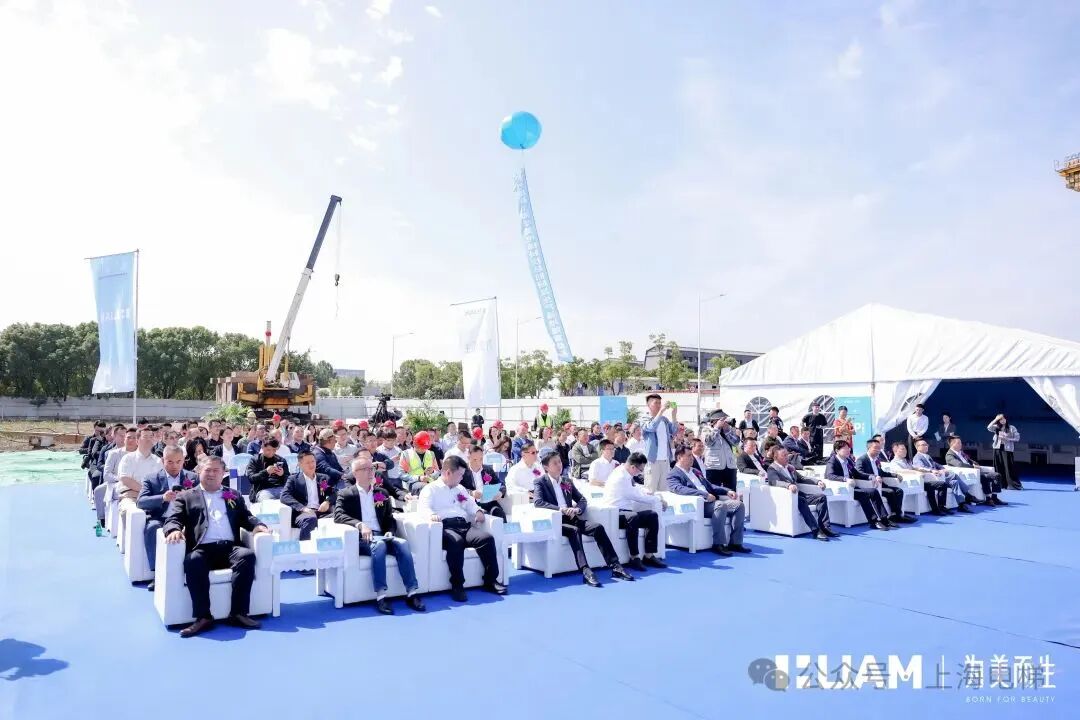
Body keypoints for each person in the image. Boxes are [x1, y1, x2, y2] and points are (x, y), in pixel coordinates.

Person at [162, 456, 269, 637]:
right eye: (207, 470)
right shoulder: (186, 497)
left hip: (229, 548)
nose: (211, 474)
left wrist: (258, 525)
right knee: (193, 560)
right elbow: (173, 518)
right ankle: (203, 617)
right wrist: (173, 530)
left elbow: (246, 516)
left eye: (215, 470)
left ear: (223, 473)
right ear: (199, 472)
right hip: (202, 549)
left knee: (247, 556)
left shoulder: (233, 495)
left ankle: (238, 613)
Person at [334, 456, 425, 614]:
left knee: (403, 544)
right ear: (355, 473)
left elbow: (389, 518)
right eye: (366, 469)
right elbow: (338, 515)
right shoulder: (346, 494)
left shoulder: (381, 492)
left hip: (382, 535)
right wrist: (360, 525)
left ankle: (412, 593)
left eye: (372, 468)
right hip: (362, 538)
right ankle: (381, 596)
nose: (371, 472)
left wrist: (390, 530)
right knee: (379, 545)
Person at [533, 449, 632, 587]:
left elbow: (582, 499)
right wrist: (561, 510)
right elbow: (538, 502)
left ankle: (615, 566)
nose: (559, 465)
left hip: (572, 518)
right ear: (546, 467)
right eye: (554, 463)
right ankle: (586, 571)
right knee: (574, 531)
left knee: (597, 527)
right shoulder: (540, 482)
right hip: (556, 521)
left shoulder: (566, 481)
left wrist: (577, 509)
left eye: (559, 462)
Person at [417, 455, 506, 602]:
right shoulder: (430, 489)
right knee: (456, 542)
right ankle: (457, 585)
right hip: (445, 527)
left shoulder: (460, 489)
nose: (462, 478)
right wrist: (431, 515)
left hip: (463, 525)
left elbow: (469, 504)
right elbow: (423, 508)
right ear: (448, 473)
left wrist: (478, 511)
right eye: (460, 474)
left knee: (486, 539)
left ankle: (490, 580)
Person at [667, 445, 748, 555]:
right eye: (689, 456)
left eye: (692, 456)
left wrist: (726, 491)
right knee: (720, 505)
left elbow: (710, 485)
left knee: (738, 505)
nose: (692, 458)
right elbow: (680, 489)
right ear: (679, 457)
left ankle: (735, 542)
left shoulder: (694, 471)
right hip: (699, 504)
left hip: (711, 502)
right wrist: (704, 494)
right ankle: (718, 544)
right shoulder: (673, 474)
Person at [136, 446, 198, 588]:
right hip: (161, 518)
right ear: (163, 460)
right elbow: (141, 502)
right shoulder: (151, 478)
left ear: (184, 460)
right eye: (170, 462)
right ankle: (157, 574)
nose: (174, 466)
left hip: (185, 519)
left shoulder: (193, 478)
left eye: (178, 461)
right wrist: (162, 498)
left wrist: (187, 497)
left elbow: (202, 499)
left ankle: (191, 572)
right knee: (152, 527)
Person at [603, 452, 668, 570]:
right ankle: (634, 557)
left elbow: (635, 488)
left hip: (627, 511)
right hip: (615, 513)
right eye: (640, 470)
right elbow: (636, 496)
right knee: (633, 517)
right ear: (633, 467)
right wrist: (658, 499)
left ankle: (649, 555)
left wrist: (648, 492)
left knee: (652, 515)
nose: (640, 473)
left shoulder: (626, 473)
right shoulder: (620, 477)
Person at [765, 447, 837, 540]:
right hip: (786, 497)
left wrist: (817, 481)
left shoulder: (789, 467)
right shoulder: (772, 469)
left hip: (798, 495)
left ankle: (825, 527)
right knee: (802, 500)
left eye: (787, 454)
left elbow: (802, 478)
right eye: (784, 455)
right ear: (776, 457)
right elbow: (774, 482)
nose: (787, 457)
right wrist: (788, 485)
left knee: (821, 497)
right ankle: (816, 531)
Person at [825, 440, 894, 530]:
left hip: (852, 488)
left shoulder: (848, 460)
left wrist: (871, 476)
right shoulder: (832, 461)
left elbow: (857, 474)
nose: (848, 450)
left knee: (873, 491)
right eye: (845, 448)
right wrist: (845, 479)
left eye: (849, 448)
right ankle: (873, 521)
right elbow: (830, 475)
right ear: (837, 450)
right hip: (842, 489)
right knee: (863, 495)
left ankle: (884, 519)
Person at [855, 438, 916, 524]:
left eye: (879, 448)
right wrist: (873, 477)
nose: (878, 450)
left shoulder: (876, 460)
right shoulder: (862, 459)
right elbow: (859, 473)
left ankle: (897, 514)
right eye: (875, 448)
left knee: (899, 491)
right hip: (871, 485)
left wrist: (895, 475)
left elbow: (882, 472)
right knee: (890, 492)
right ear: (869, 448)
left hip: (881, 484)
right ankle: (893, 516)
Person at [281, 450, 337, 541]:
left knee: (339, 517)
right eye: (307, 463)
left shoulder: (322, 479)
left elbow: (333, 493)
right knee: (310, 519)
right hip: (303, 514)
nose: (311, 465)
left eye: (313, 461)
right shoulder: (294, 479)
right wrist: (302, 508)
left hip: (321, 512)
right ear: (300, 465)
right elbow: (285, 496)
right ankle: (305, 547)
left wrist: (327, 502)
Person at [885, 442, 950, 516]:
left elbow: (916, 468)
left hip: (917, 483)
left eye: (905, 449)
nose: (905, 451)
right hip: (907, 484)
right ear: (895, 451)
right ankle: (936, 510)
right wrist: (916, 473)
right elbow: (902, 471)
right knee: (930, 487)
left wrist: (930, 470)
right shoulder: (894, 463)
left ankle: (941, 507)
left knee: (941, 484)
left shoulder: (906, 460)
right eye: (902, 449)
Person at [912, 438, 975, 513]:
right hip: (931, 478)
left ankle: (961, 505)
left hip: (939, 476)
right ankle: (968, 495)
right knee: (953, 475)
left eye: (927, 444)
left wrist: (943, 469)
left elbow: (937, 465)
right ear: (917, 447)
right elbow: (921, 467)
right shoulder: (917, 457)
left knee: (955, 482)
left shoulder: (927, 456)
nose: (926, 446)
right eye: (923, 445)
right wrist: (933, 470)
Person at [117, 428, 163, 522]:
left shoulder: (158, 461)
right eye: (145, 436)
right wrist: (145, 491)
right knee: (134, 513)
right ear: (137, 441)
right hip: (131, 497)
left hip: (151, 498)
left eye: (151, 436)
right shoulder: (128, 458)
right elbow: (125, 479)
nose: (149, 439)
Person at [945, 435, 1006, 506]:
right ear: (952, 444)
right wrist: (973, 467)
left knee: (996, 475)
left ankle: (994, 497)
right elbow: (959, 464)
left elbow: (969, 460)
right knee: (985, 477)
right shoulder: (949, 455)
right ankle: (988, 499)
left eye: (961, 443)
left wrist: (975, 463)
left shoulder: (960, 452)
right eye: (958, 443)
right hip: (967, 474)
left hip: (974, 471)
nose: (961, 444)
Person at [641, 393, 678, 492]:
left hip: (665, 460)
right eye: (655, 403)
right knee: (650, 491)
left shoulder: (664, 420)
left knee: (664, 491)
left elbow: (674, 431)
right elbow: (651, 427)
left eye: (660, 403)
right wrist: (661, 411)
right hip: (652, 460)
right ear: (648, 405)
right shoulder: (644, 418)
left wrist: (674, 415)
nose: (658, 405)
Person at [461, 444, 506, 519]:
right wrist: (471, 493)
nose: (478, 462)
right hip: (471, 504)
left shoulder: (488, 470)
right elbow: (457, 489)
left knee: (500, 514)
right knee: (484, 516)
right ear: (468, 457)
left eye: (481, 459)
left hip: (489, 502)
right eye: (475, 460)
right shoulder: (463, 471)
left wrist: (500, 492)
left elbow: (501, 485)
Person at [988, 414, 1022, 490]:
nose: (1002, 420)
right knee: (998, 466)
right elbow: (988, 427)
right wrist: (995, 419)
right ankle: (1000, 484)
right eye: (1000, 419)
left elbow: (1017, 438)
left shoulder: (1011, 427)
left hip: (1007, 449)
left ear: (1006, 419)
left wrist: (1008, 439)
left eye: (1003, 419)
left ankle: (1012, 484)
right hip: (997, 448)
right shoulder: (996, 427)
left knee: (1008, 467)